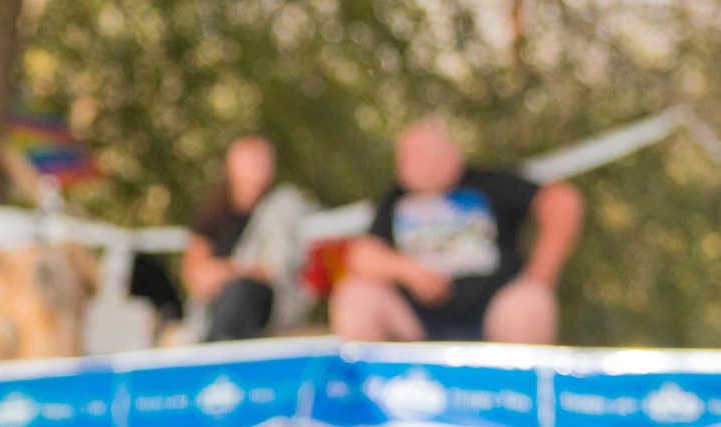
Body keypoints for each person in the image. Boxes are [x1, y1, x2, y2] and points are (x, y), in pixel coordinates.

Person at [331, 119, 582, 344]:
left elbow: (563, 200)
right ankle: (366, 389)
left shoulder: (489, 183)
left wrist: (540, 275)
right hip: (418, 321)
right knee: (354, 295)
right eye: (403, 156)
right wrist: (407, 270)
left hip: (493, 312)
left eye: (417, 155)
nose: (405, 164)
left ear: (450, 156)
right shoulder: (395, 199)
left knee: (532, 301)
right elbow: (361, 255)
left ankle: (522, 392)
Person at [182, 135, 302, 343]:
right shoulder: (213, 212)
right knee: (232, 298)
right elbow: (194, 274)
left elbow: (275, 268)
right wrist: (232, 273)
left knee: (242, 291)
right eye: (251, 160)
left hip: (263, 303)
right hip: (214, 305)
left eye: (263, 159)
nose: (260, 166)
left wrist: (223, 272)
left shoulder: (283, 207)